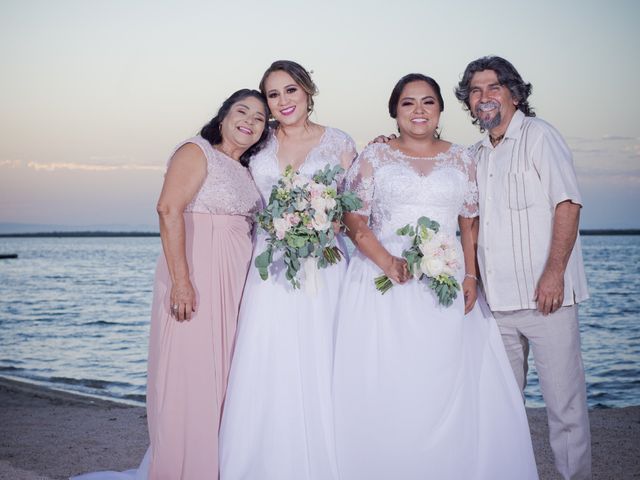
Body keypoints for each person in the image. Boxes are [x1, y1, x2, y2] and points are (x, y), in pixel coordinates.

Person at [332, 73, 538, 480]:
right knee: (390, 379)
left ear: (441, 110)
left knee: (445, 378)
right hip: (383, 283)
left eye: (428, 102)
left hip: (446, 279)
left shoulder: (462, 158)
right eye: (408, 103)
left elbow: (468, 224)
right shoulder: (375, 157)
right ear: (395, 111)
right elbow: (353, 219)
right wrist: (387, 261)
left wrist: (471, 277)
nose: (419, 110)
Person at [70, 89, 269, 480]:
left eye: (259, 118)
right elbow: (168, 209)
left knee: (223, 378)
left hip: (234, 282)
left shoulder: (246, 169)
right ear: (223, 116)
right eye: (241, 111)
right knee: (190, 378)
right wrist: (181, 282)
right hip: (196, 275)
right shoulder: (197, 151)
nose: (249, 120)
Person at [219, 60, 357, 480]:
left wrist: (331, 219)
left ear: (308, 92)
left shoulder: (340, 142)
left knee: (325, 353)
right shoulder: (257, 144)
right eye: (273, 95)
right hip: (269, 267)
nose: (283, 102)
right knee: (267, 354)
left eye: (290, 91)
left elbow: (356, 202)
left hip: (325, 262)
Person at [455, 56, 591, 480]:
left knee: (564, 407)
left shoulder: (539, 136)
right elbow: (468, 219)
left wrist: (553, 273)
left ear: (514, 94)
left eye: (493, 87)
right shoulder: (474, 154)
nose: (484, 97)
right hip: (496, 307)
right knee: (503, 408)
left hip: (545, 299)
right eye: (475, 91)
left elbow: (567, 203)